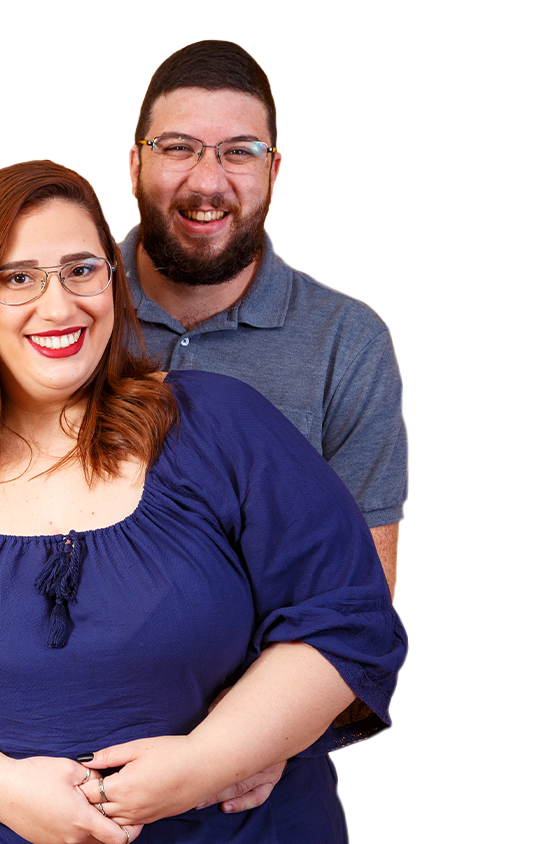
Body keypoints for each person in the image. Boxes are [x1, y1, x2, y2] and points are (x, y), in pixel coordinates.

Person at [0, 159, 408, 844]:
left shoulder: (221, 426)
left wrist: (209, 761)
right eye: (18, 278)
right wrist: (4, 793)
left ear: (113, 282)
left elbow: (343, 616)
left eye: (81, 270)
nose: (59, 307)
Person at [122, 39, 409, 598]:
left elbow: (359, 606)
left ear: (273, 169)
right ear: (136, 163)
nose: (207, 183)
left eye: (239, 152)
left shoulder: (348, 343)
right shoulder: (61, 315)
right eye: (178, 148)